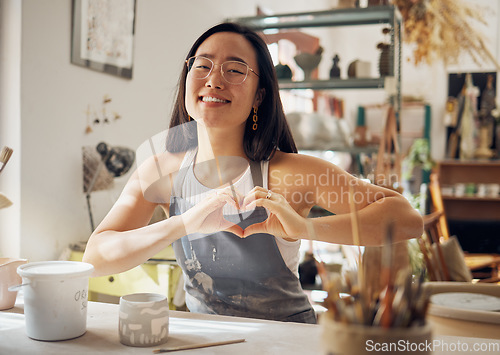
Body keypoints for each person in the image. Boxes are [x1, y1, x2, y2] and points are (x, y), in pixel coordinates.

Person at [83, 22, 423, 324]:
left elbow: (406, 218)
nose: (214, 80)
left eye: (235, 70)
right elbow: (95, 258)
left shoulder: (290, 174)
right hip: (206, 342)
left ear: (260, 95)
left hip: (287, 343)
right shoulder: (160, 172)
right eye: (202, 65)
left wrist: (305, 227)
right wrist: (184, 224)